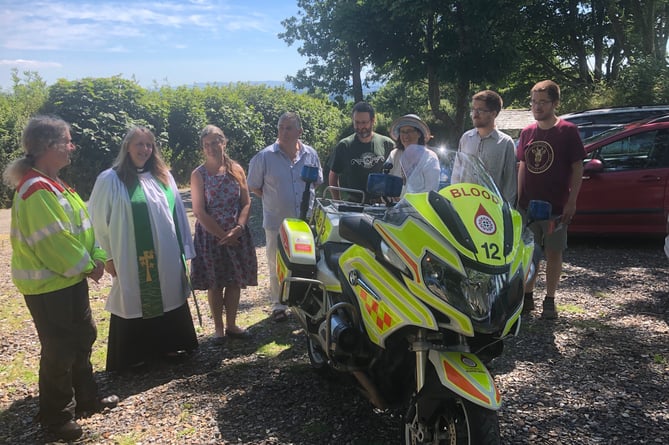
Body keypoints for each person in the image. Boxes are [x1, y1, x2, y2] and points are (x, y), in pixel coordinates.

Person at [3, 115, 118, 441]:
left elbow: (84, 228)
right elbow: (54, 242)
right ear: (48, 146)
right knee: (59, 349)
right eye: (67, 141)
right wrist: (89, 266)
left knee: (83, 337)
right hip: (48, 286)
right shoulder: (35, 189)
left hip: (68, 281)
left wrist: (96, 257)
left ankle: (86, 400)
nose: (72, 147)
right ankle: (56, 417)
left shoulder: (55, 184)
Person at [88, 126, 198, 372]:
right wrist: (107, 256)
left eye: (149, 144)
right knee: (134, 297)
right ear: (127, 146)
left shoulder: (163, 176)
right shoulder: (111, 179)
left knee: (169, 294)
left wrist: (184, 249)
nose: (145, 149)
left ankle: (170, 345)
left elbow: (178, 214)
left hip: (167, 253)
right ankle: (134, 355)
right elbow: (97, 220)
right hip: (129, 255)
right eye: (139, 144)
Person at [516, 80, 586, 319]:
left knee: (554, 252)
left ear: (555, 103)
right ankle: (527, 296)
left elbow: (578, 167)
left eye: (543, 102)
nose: (537, 107)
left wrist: (572, 201)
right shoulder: (527, 132)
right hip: (528, 206)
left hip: (555, 206)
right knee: (529, 252)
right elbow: (522, 165)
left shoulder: (568, 131)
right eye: (534, 102)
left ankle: (550, 299)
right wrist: (519, 199)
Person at [247, 112, 323, 322]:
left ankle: (305, 301)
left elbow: (316, 182)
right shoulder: (265, 156)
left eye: (289, 128)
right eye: (281, 127)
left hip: (305, 222)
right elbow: (254, 186)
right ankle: (278, 305)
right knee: (275, 263)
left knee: (307, 262)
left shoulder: (310, 154)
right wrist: (275, 199)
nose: (284, 132)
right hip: (277, 221)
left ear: (299, 131)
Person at [190, 125, 257, 341]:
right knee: (216, 283)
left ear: (223, 143)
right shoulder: (198, 174)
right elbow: (199, 211)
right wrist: (222, 235)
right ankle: (218, 328)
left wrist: (239, 228)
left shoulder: (236, 169)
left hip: (236, 234)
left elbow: (246, 202)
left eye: (214, 143)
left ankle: (232, 324)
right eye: (206, 145)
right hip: (212, 237)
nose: (211, 148)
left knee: (235, 281)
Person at [458, 90, 517, 205]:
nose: (475, 114)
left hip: (492, 207)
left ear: (493, 114)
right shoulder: (466, 138)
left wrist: (507, 210)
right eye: (473, 109)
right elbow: (457, 172)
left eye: (480, 110)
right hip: (466, 205)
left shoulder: (505, 143)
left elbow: (510, 184)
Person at [328, 101, 395, 201]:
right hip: (354, 203)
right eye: (357, 122)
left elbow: (397, 174)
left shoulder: (387, 144)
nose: (360, 127)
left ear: (373, 120)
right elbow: (333, 175)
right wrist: (337, 201)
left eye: (364, 123)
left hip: (381, 203)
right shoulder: (344, 145)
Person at [388, 114, 440, 195]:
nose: (406, 135)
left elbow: (431, 191)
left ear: (419, 134)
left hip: (420, 203)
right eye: (402, 132)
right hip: (394, 203)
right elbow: (386, 181)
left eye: (409, 131)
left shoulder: (430, 157)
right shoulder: (394, 154)